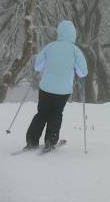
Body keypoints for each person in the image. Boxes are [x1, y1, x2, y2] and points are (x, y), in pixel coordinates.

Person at [25, 20, 88, 151]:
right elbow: (83, 72)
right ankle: (50, 140)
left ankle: (32, 140)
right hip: (63, 91)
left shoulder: (50, 47)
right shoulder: (75, 51)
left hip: (46, 88)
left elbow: (37, 66)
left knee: (41, 113)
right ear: (73, 35)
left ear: (59, 33)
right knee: (56, 114)